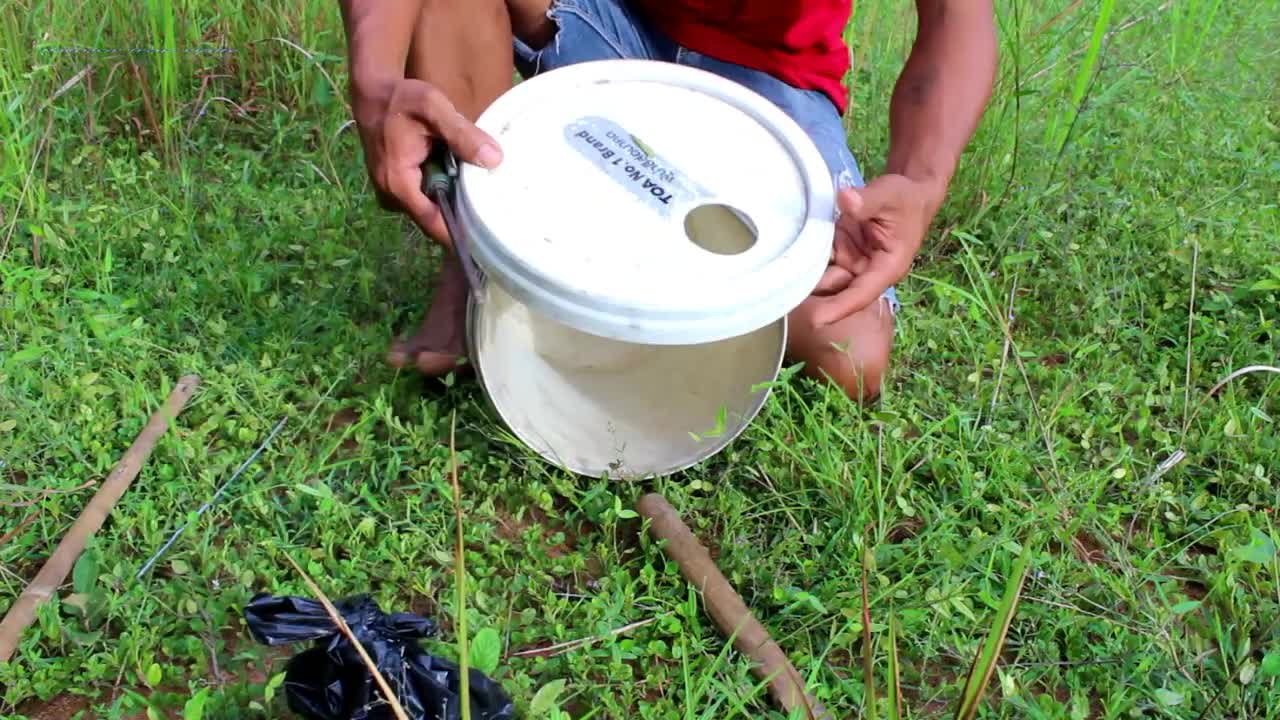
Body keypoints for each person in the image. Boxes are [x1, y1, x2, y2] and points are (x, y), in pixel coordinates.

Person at [339, 0, 996, 401]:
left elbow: (957, 15)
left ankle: (615, 283)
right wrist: (374, 81)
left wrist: (920, 179)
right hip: (604, 15)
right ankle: (475, 259)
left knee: (847, 351)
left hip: (773, 76)